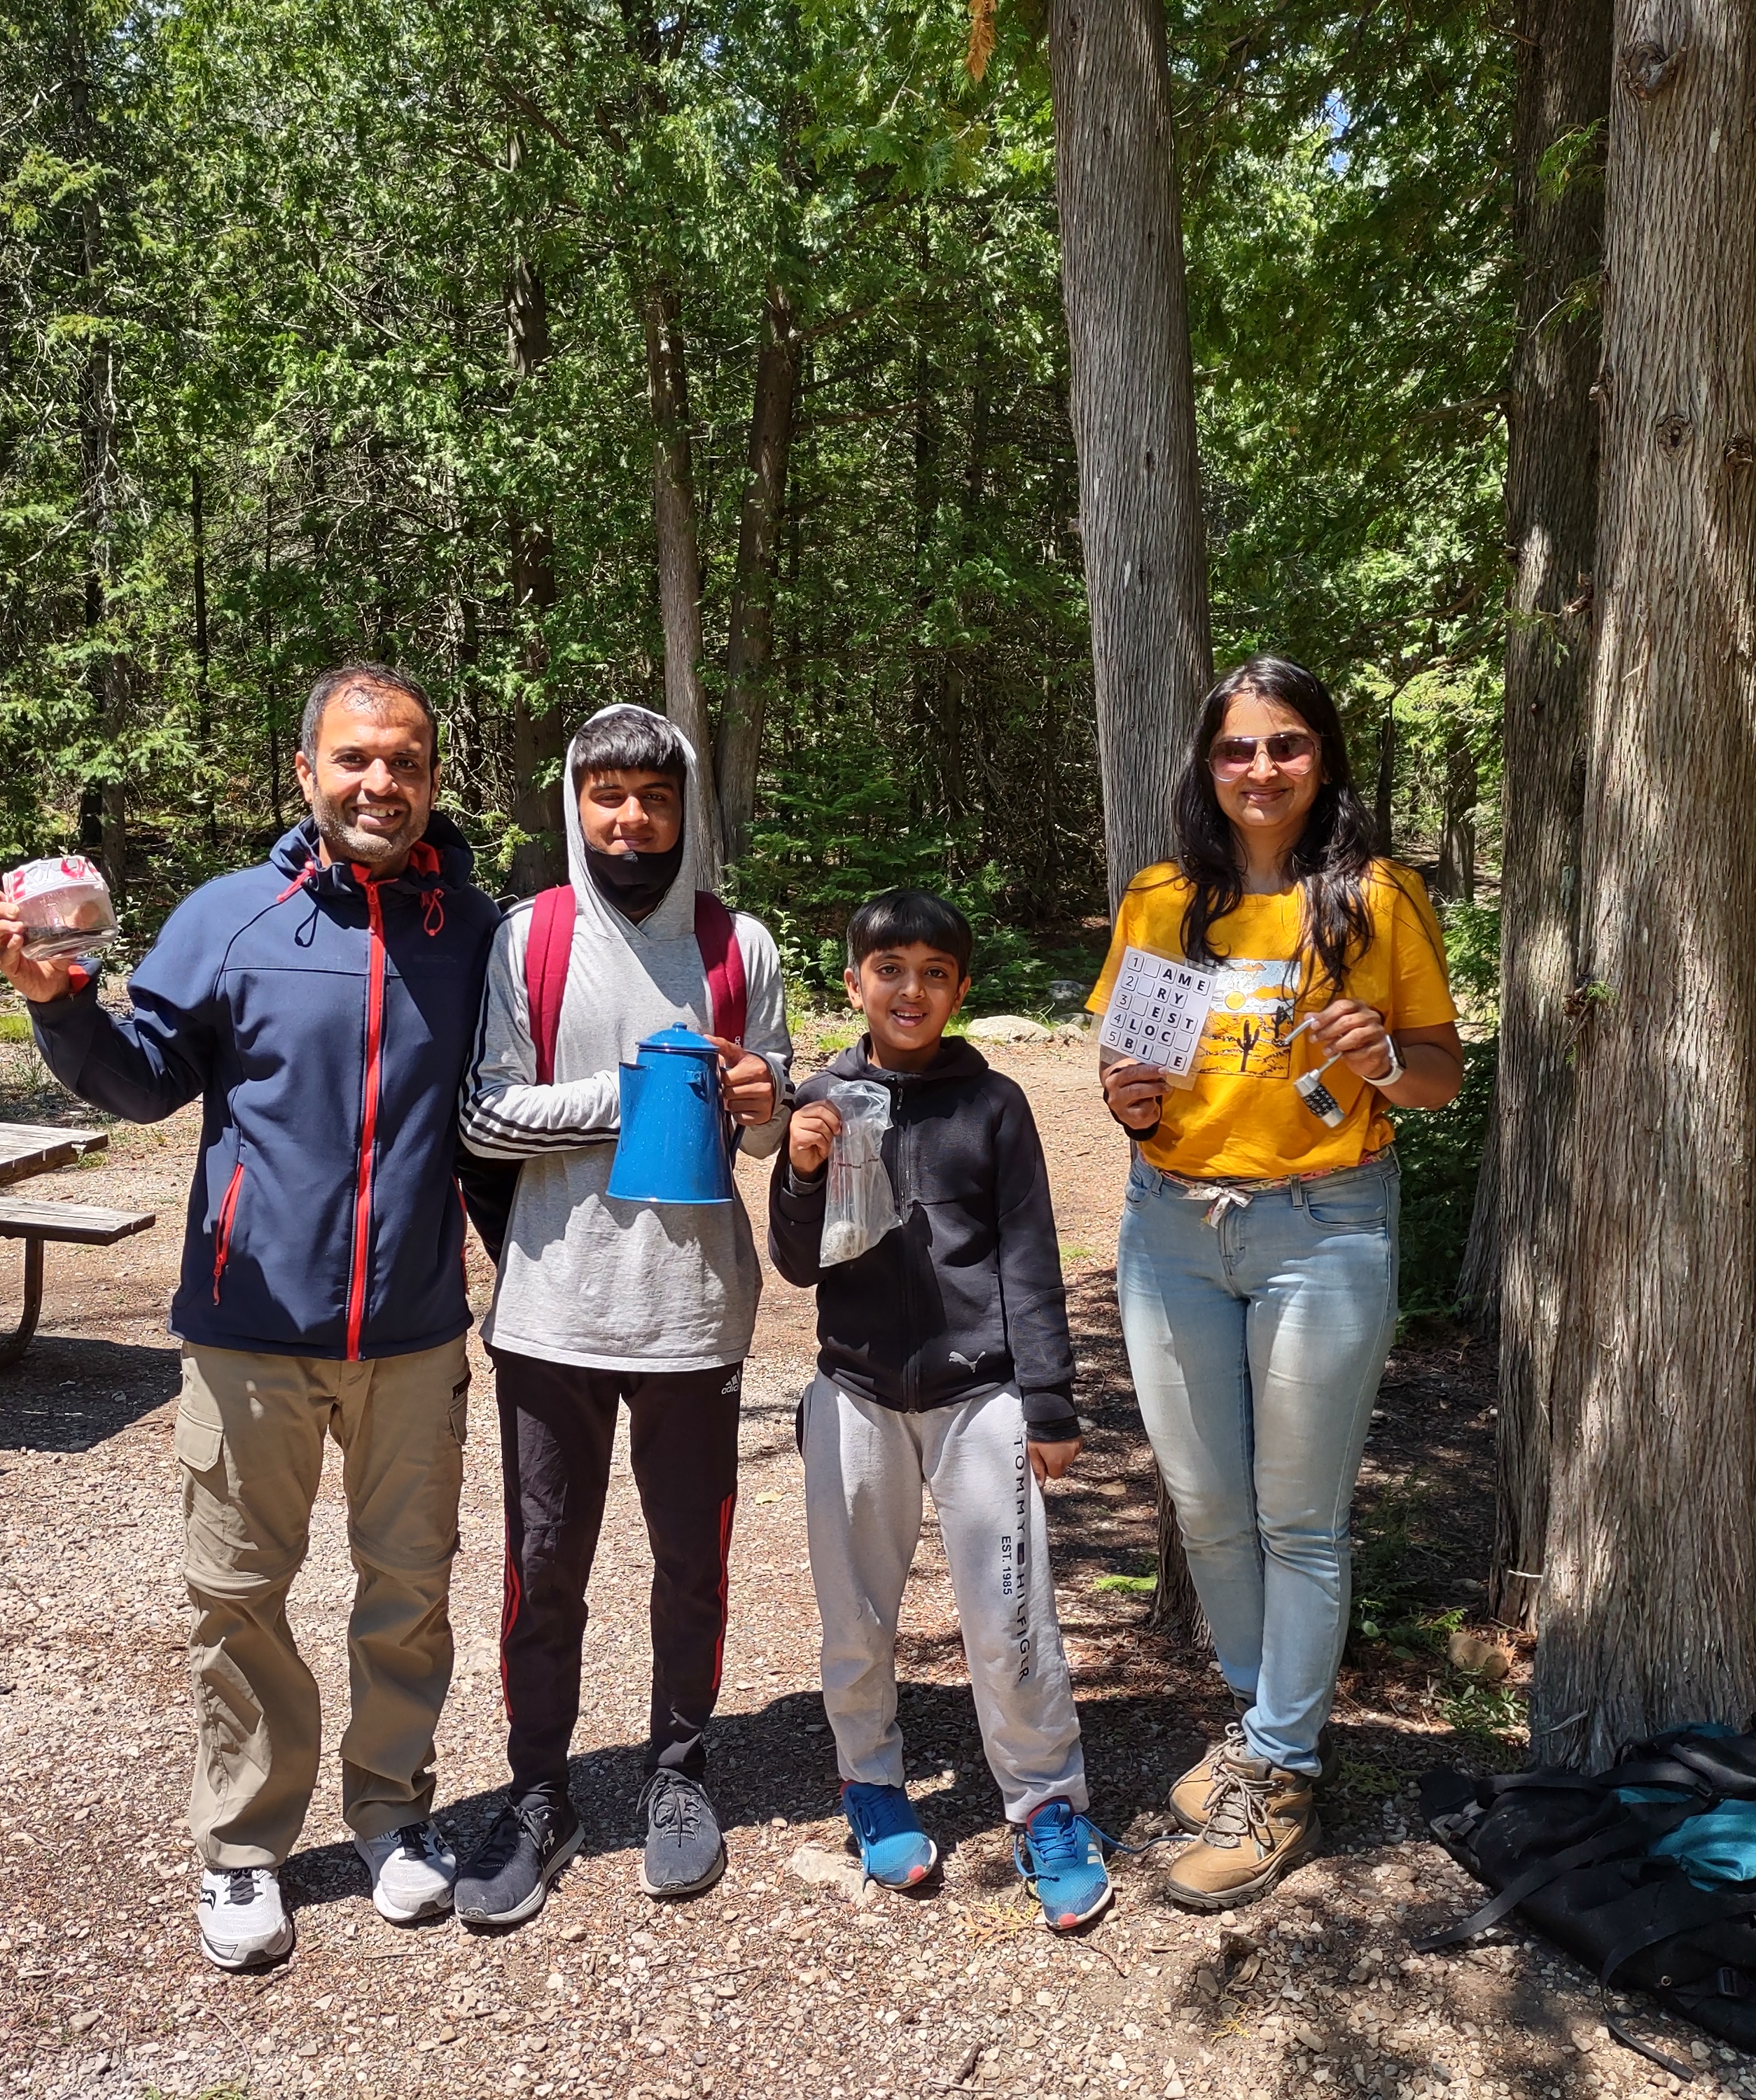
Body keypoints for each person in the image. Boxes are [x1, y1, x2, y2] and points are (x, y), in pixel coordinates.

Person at [0, 665, 499, 1970]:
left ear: (434, 778)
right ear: (307, 772)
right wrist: (59, 1003)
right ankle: (244, 1848)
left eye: (406, 760)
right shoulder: (229, 915)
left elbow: (500, 1117)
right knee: (238, 1596)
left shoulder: (474, 931)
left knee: (408, 1588)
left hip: (415, 1329)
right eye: (355, 758)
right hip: (249, 1325)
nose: (381, 782)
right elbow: (145, 1080)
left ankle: (393, 1816)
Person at [1090, 655, 1463, 1913]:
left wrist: (1384, 1059)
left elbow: (1438, 1079)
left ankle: (1284, 1768)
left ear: (1324, 759)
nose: (1262, 769)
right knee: (1206, 1507)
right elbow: (1130, 1075)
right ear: (1209, 766)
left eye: (1287, 744)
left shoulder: (1375, 898)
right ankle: (1263, 1731)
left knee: (1299, 1515)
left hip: (1324, 1225)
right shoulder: (1163, 899)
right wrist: (1126, 1099)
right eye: (1238, 748)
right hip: (1171, 1226)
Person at [456, 704, 792, 1926]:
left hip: (694, 1315)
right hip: (552, 1311)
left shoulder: (739, 944)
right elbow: (485, 1116)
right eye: (608, 796)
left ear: (686, 808)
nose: (631, 819)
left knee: (692, 1563)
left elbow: (769, 1128)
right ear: (575, 803)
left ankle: (679, 1772)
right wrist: (637, 1091)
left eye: (654, 797)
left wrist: (757, 1096)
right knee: (544, 1566)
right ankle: (539, 1794)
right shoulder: (530, 939)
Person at [769, 890, 1115, 1932]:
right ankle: (871, 1782)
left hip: (982, 1398)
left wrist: (1049, 1403)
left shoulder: (994, 1104)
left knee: (1011, 1616)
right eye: (889, 970)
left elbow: (1030, 1257)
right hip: (854, 1393)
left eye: (933, 973)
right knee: (856, 1616)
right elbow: (795, 1264)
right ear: (854, 984)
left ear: (961, 989)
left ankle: (1047, 1803)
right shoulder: (823, 1100)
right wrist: (802, 1170)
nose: (910, 990)